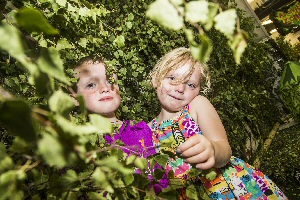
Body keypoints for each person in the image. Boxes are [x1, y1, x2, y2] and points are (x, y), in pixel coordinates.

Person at [148, 47, 287, 199]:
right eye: (173, 78)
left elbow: (224, 150)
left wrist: (213, 150)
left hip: (234, 189)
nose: (180, 88)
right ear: (156, 79)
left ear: (199, 90)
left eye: (191, 85)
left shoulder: (197, 106)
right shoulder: (147, 131)